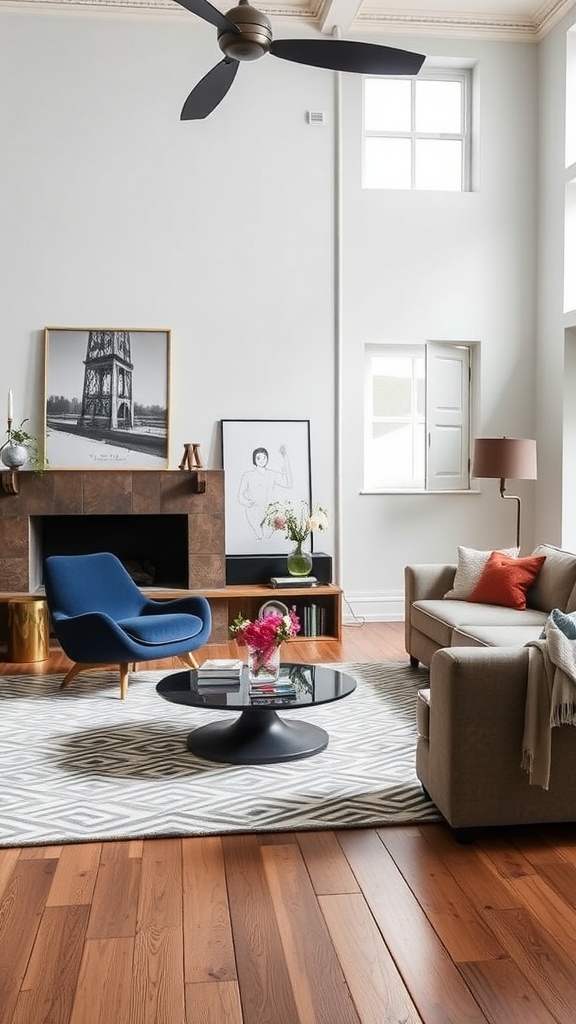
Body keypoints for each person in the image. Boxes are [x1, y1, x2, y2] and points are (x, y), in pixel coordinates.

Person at [238, 445, 292, 540]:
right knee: (259, 537)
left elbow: (288, 484)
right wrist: (247, 503)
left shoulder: (272, 474)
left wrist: (285, 458)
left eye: (264, 457)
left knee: (267, 538)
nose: (262, 460)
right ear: (254, 459)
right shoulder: (248, 475)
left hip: (270, 513)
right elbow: (240, 495)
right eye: (258, 458)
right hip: (253, 512)